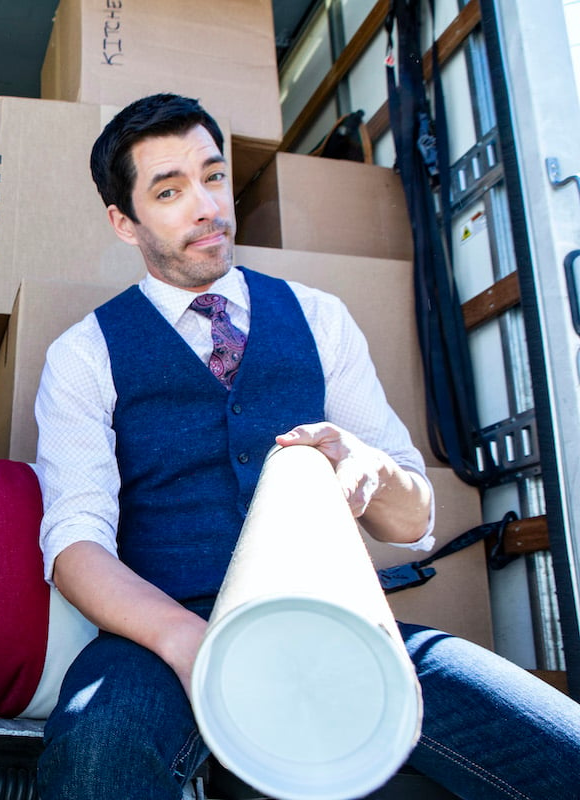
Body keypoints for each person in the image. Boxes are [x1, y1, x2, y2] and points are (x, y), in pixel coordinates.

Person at [33, 92, 580, 799]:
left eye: (214, 175)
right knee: (94, 756)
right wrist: (183, 642)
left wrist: (367, 468)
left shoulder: (321, 318)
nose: (207, 206)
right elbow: (76, 546)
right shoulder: (84, 355)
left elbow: (413, 522)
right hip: (161, 637)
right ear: (123, 222)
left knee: (561, 750)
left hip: (336, 620)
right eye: (169, 191)